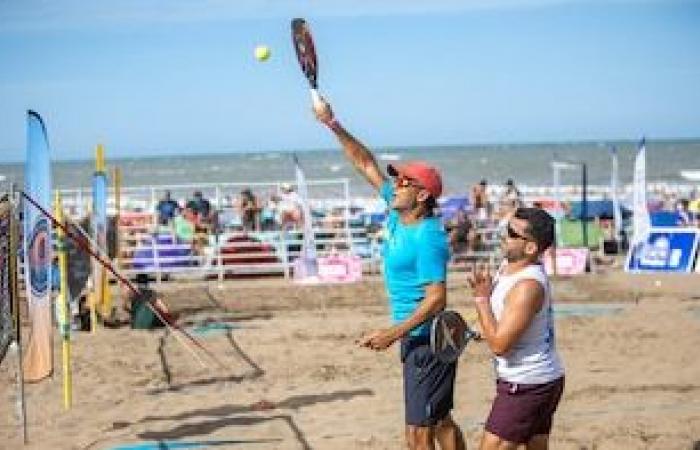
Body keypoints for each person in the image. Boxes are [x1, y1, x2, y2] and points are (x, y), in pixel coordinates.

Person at [314, 97, 465, 450]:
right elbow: (365, 162)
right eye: (396, 181)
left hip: (426, 340)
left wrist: (392, 334)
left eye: (404, 183)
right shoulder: (398, 214)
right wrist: (332, 123)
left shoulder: (428, 236)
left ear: (423, 194)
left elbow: (436, 298)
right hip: (419, 337)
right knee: (440, 421)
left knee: (418, 435)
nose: (395, 185)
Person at [467, 207, 565, 450]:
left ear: (531, 247)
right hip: (540, 379)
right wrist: (485, 328)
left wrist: (481, 299)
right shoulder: (508, 265)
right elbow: (506, 323)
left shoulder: (528, 286)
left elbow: (500, 345)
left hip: (527, 384)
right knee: (536, 444)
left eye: (511, 232)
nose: (504, 235)